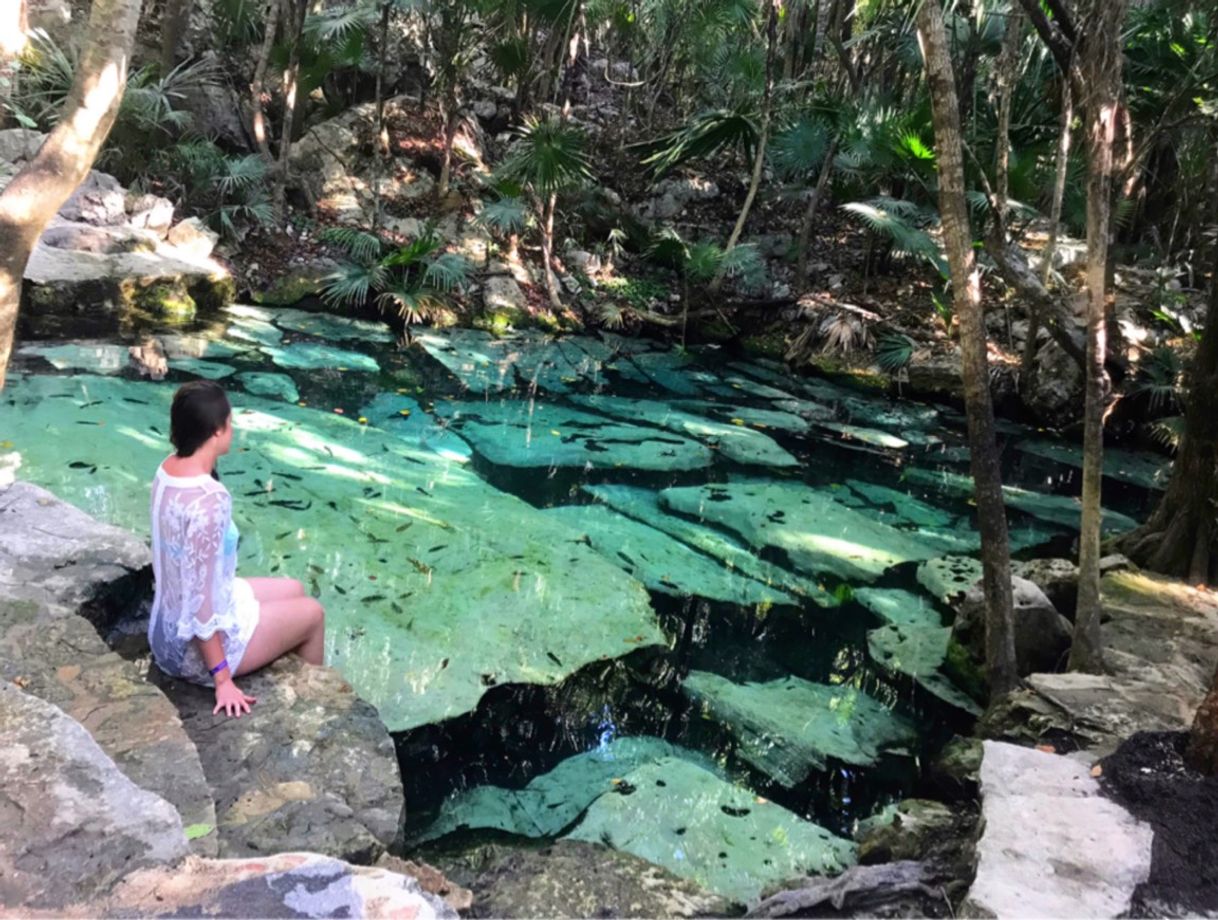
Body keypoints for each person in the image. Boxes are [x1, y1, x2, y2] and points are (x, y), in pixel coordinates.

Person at [149, 380, 326, 718]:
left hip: (164, 631)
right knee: (313, 614)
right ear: (217, 431)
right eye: (230, 422)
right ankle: (313, 713)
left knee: (296, 588)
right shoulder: (209, 501)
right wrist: (223, 680)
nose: (233, 428)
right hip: (190, 654)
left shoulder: (169, 468)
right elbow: (201, 607)